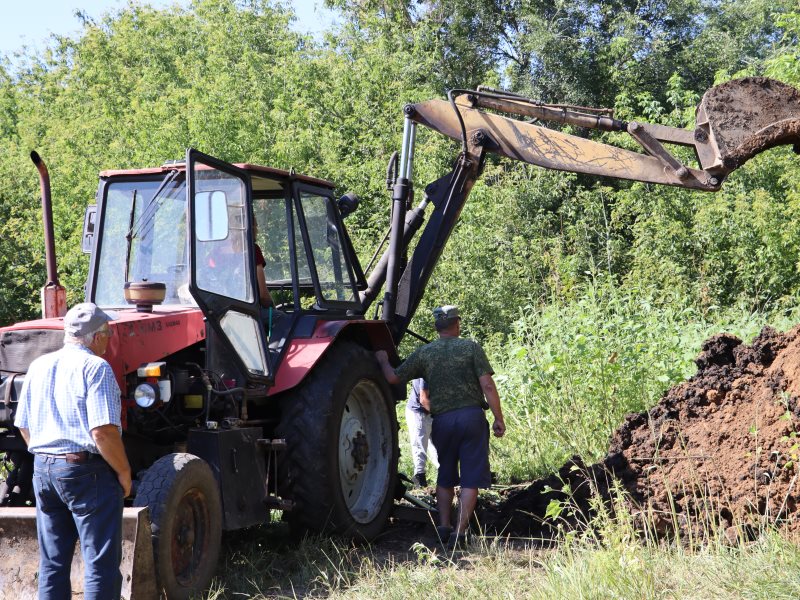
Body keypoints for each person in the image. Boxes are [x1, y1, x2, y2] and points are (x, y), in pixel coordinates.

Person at [14, 302, 132, 599]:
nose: (109, 338)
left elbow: (23, 425)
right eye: (107, 332)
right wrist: (124, 471)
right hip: (85, 472)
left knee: (53, 562)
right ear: (96, 336)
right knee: (100, 564)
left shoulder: (38, 365)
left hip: (43, 470)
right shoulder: (96, 368)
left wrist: (47, 457)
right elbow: (102, 432)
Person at [375, 305, 505, 548]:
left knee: (445, 474)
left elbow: (393, 377)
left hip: (443, 422)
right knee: (470, 478)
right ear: (457, 324)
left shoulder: (425, 353)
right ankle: (460, 531)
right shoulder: (470, 348)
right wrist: (499, 418)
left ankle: (444, 526)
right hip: (471, 418)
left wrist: (382, 360)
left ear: (436, 327)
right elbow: (487, 385)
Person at [407, 378, 438, 488]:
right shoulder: (425, 374)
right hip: (419, 412)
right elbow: (423, 399)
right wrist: (438, 414)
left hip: (430, 412)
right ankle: (419, 480)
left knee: (437, 445)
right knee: (420, 446)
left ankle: (445, 476)